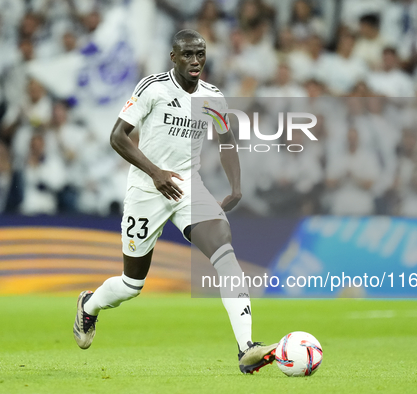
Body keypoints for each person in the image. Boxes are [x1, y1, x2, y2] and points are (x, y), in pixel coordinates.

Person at [73, 29, 277, 374]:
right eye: (187, 55)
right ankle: (89, 305)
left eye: (200, 54)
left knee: (225, 253)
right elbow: (117, 136)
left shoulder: (213, 98)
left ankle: (246, 348)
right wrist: (155, 173)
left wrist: (236, 185)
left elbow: (226, 140)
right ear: (173, 58)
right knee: (131, 284)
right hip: (146, 189)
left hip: (188, 188)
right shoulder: (153, 88)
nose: (195, 61)